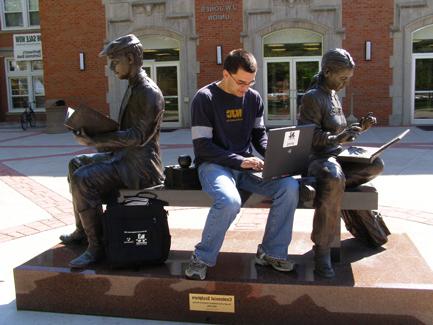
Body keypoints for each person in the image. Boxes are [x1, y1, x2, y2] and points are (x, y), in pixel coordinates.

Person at [185, 49, 299, 280]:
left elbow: (259, 136)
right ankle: (201, 257)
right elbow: (203, 147)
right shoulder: (204, 98)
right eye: (240, 82)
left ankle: (271, 252)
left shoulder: (253, 98)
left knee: (289, 187)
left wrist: (276, 156)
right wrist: (241, 161)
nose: (245, 88)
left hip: (246, 167)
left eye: (250, 82)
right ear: (225, 73)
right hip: (214, 166)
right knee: (229, 200)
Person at [59, 34, 165, 268]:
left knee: (83, 179)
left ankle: (96, 247)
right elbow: (127, 130)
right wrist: (95, 129)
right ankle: (83, 232)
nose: (111, 66)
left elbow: (138, 136)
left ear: (130, 57)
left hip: (140, 168)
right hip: (126, 157)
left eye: (115, 61)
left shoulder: (149, 92)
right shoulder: (133, 86)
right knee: (75, 164)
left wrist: (96, 139)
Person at [298, 48, 384, 278]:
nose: (345, 83)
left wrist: (358, 129)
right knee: (334, 178)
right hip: (317, 159)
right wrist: (337, 138)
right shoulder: (312, 97)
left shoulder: (333, 94)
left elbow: (336, 129)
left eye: (348, 78)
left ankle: (338, 195)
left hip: (335, 154)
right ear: (327, 72)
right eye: (343, 78)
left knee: (375, 165)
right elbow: (308, 137)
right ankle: (322, 250)